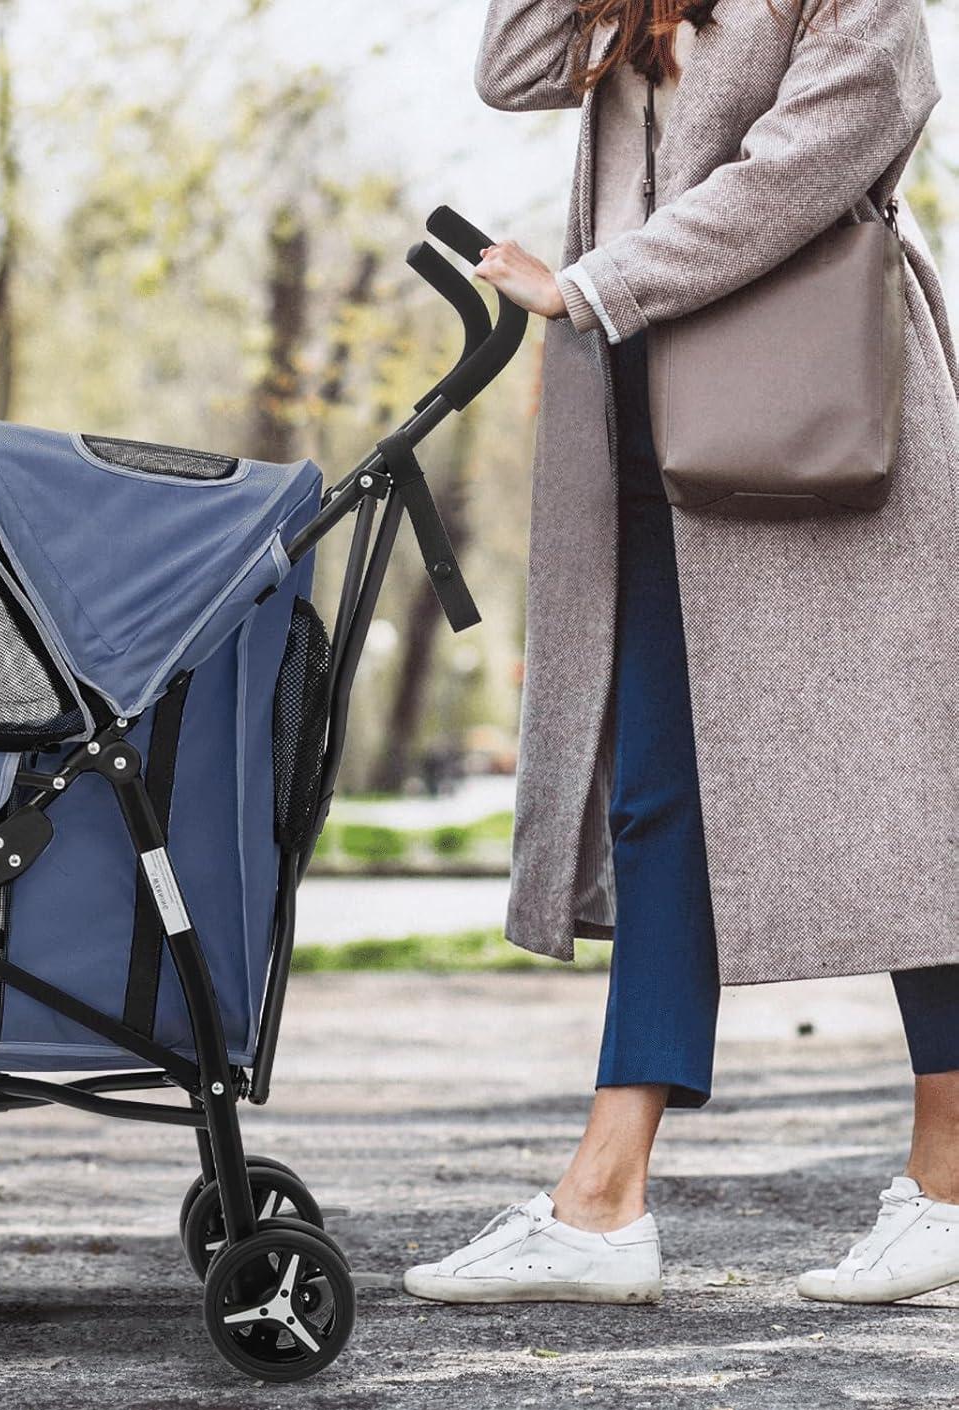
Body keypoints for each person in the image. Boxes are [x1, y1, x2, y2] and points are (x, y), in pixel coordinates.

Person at [405, 0, 959, 1306]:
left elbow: (805, 171)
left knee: (902, 801)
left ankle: (951, 1179)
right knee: (660, 802)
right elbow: (513, 66)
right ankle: (601, 1204)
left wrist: (592, 283)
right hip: (653, 435)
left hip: (827, 427)